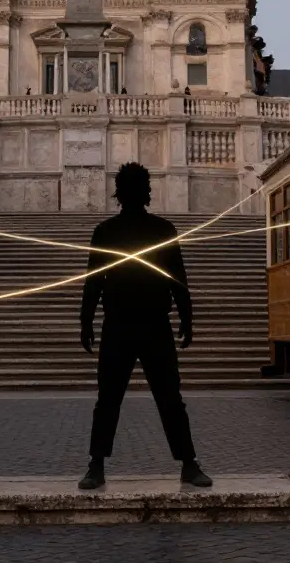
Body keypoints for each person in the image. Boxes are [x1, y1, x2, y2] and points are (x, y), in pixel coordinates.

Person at [77, 162, 211, 490]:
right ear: (142, 193)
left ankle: (97, 465)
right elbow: (177, 279)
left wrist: (86, 321)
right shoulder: (155, 230)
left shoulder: (111, 231)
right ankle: (188, 463)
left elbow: (93, 283)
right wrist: (186, 316)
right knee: (164, 398)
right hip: (145, 324)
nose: (140, 194)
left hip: (128, 324)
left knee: (112, 399)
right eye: (138, 188)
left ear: (119, 194)